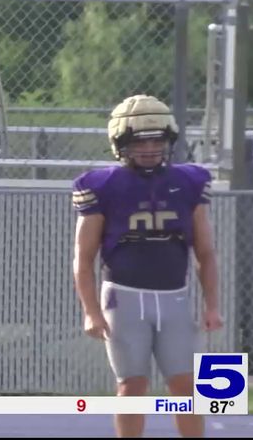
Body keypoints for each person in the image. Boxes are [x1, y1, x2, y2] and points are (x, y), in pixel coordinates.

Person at [71, 94, 224, 437]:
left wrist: (213, 304)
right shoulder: (102, 185)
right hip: (123, 299)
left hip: (175, 298)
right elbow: (83, 257)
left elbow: (206, 252)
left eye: (157, 139)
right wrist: (91, 311)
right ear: (121, 144)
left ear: (169, 140)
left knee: (186, 387)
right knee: (131, 387)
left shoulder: (188, 182)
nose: (151, 148)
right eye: (140, 141)